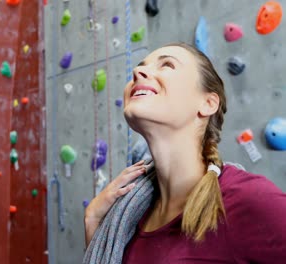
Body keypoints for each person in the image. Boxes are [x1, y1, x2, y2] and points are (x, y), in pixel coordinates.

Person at [84, 43, 286, 263]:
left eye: (167, 65)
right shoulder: (129, 218)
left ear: (208, 103)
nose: (137, 72)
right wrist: (93, 223)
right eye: (141, 66)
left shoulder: (248, 199)